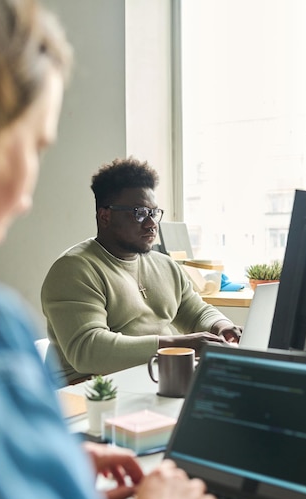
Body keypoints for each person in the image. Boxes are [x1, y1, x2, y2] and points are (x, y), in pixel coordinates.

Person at [0, 1, 217, 499]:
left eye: (154, 213)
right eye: (33, 144)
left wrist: (212, 327)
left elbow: (196, 306)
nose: (26, 197)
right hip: (119, 409)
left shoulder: (163, 263)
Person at [41, 156, 242, 385]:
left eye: (153, 213)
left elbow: (197, 313)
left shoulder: (164, 265)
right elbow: (89, 351)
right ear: (105, 215)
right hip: (92, 393)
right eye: (139, 212)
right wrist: (179, 345)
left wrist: (223, 327)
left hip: (152, 380)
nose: (151, 223)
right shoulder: (74, 269)